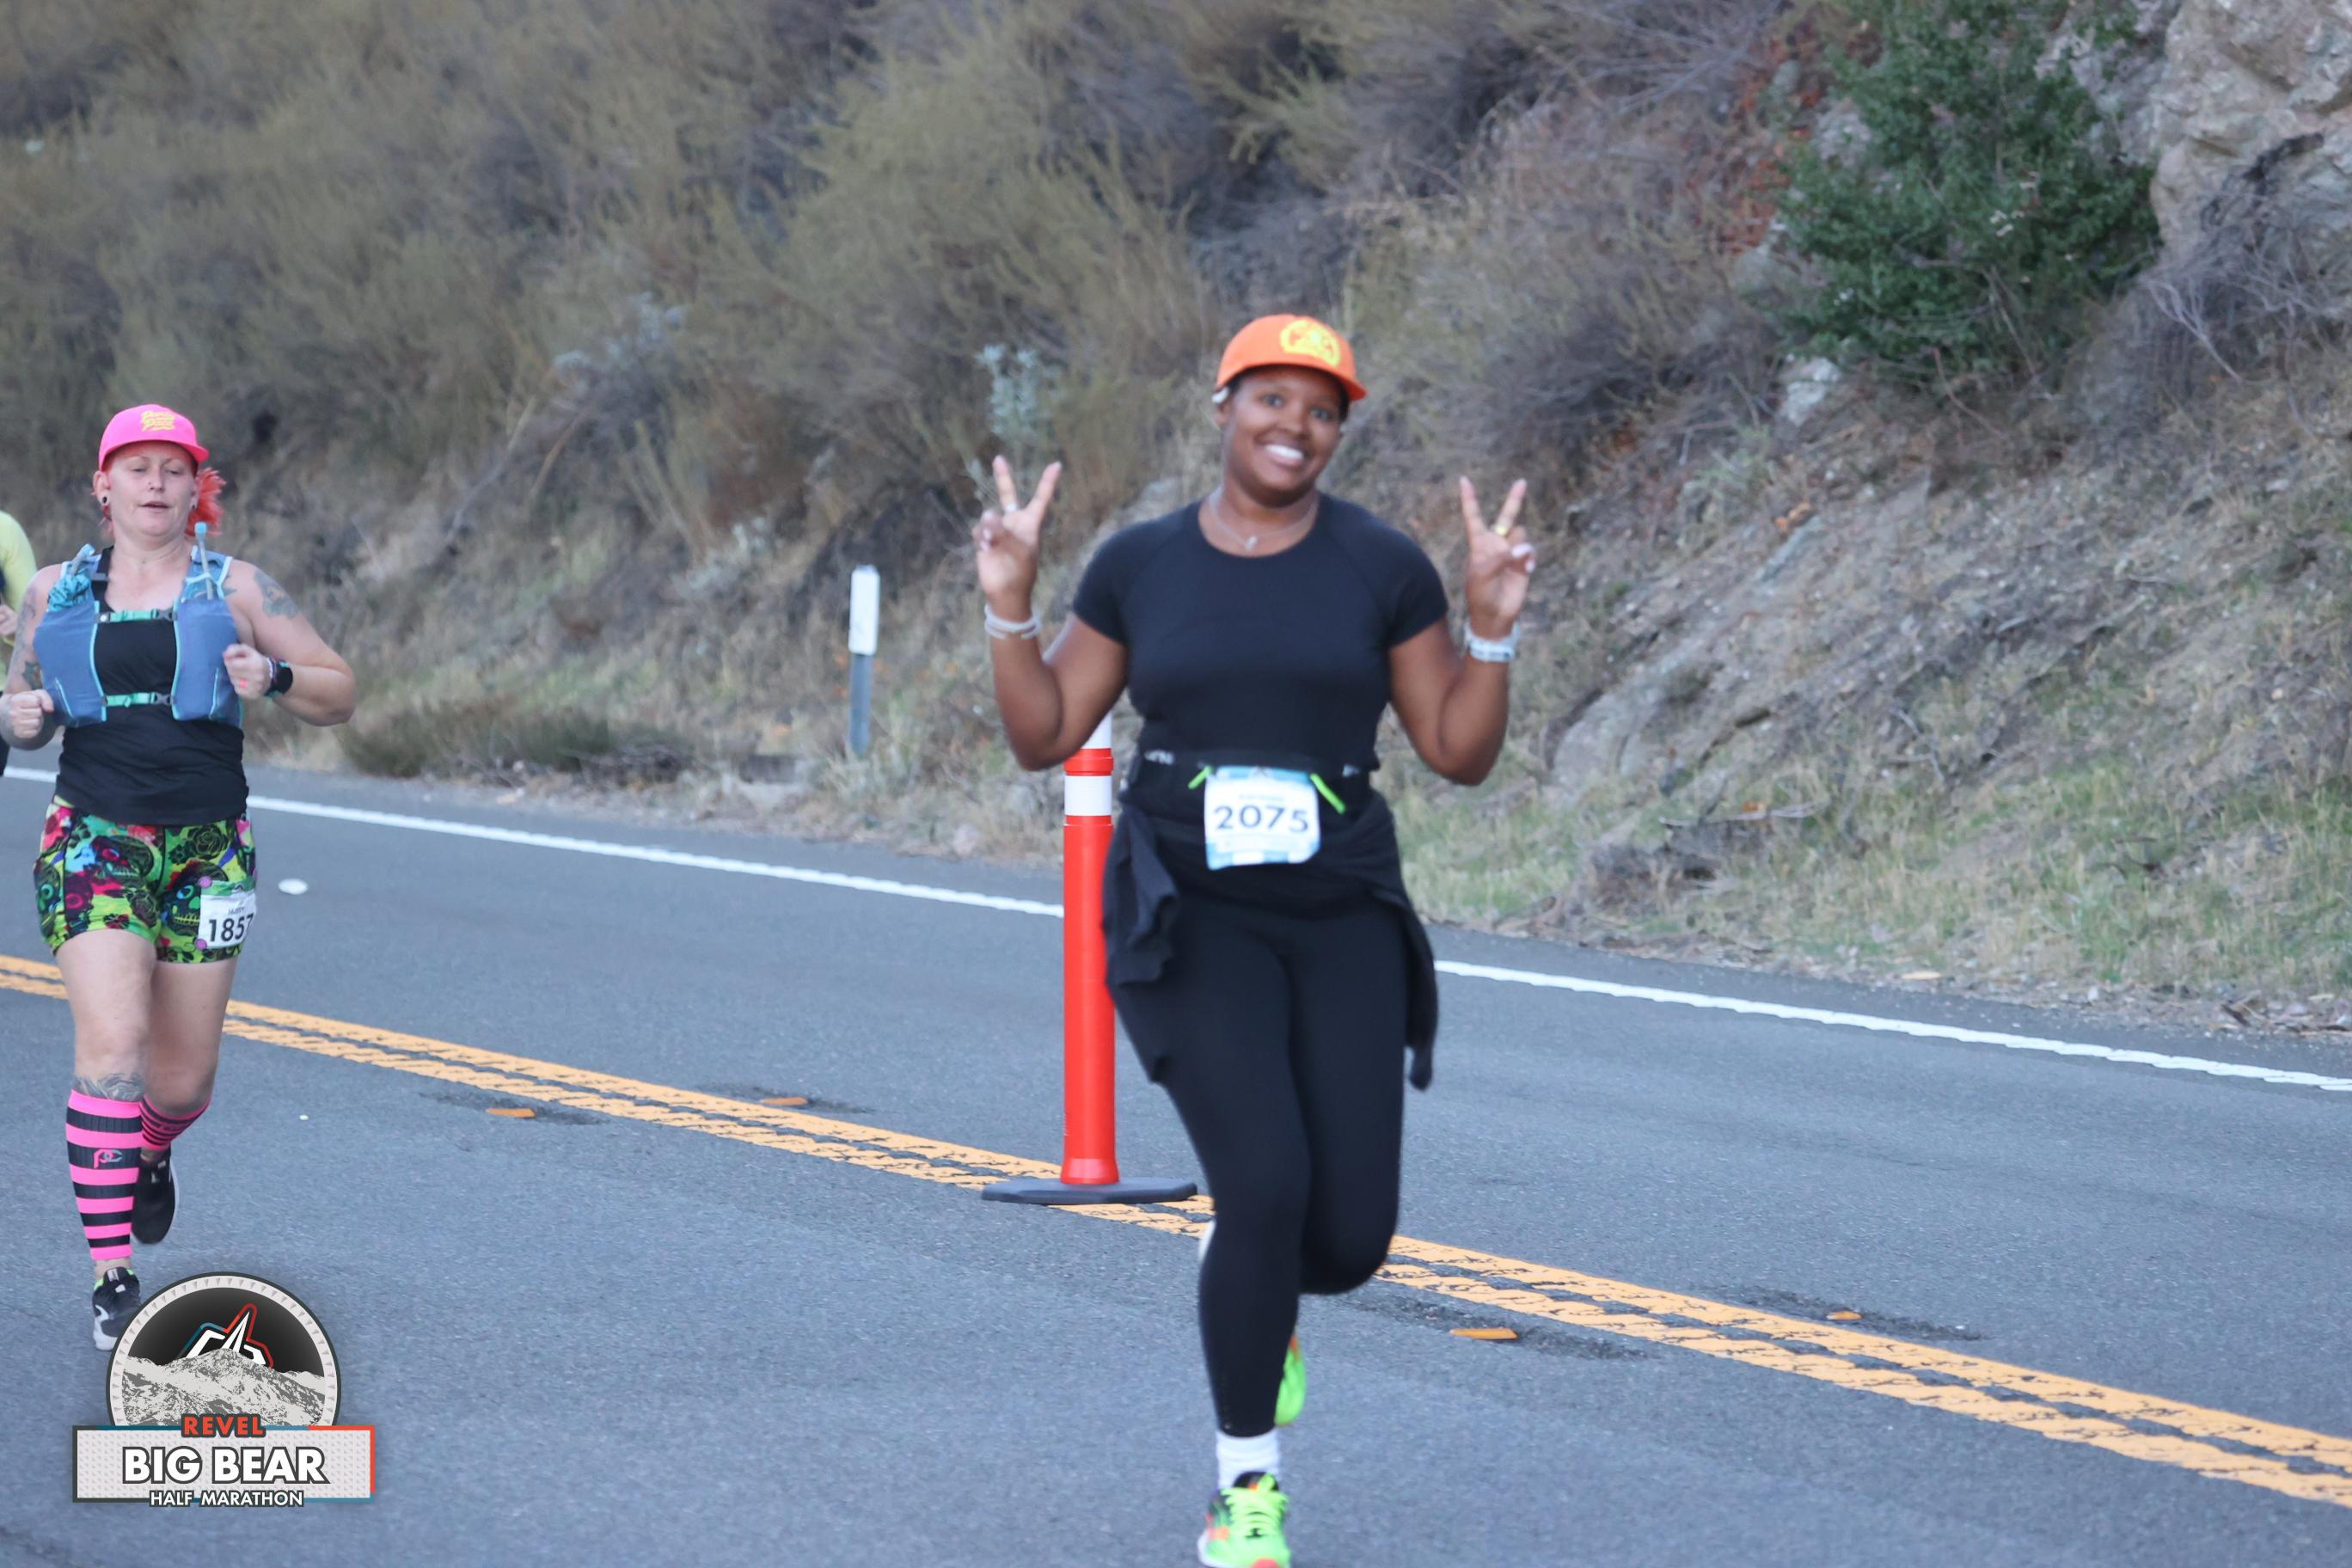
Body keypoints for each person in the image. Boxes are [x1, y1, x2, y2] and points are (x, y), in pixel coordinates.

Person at [971, 316, 1534, 1566]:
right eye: (1272, 398)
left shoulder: (1382, 567)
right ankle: (1245, 1492)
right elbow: (1045, 732)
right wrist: (1011, 609)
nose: (1297, 425)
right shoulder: (1142, 565)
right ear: (1224, 407)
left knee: (1346, 1241)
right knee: (1266, 1184)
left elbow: (1458, 751)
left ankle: (1258, 1286)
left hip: (1340, 911)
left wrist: (1491, 626)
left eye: (1322, 409)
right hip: (1191, 911)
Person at [2, 405, 358, 1350]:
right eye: (138, 467)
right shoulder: (52, 591)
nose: (155, 483)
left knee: (183, 1081)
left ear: (197, 486)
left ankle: (151, 1152)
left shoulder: (239, 587)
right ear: (103, 484)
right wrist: (20, 716)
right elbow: (18, 705)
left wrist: (275, 679)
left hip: (209, 849)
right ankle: (111, 1276)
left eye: (173, 468)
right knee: (112, 1047)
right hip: (92, 839)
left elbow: (339, 690)